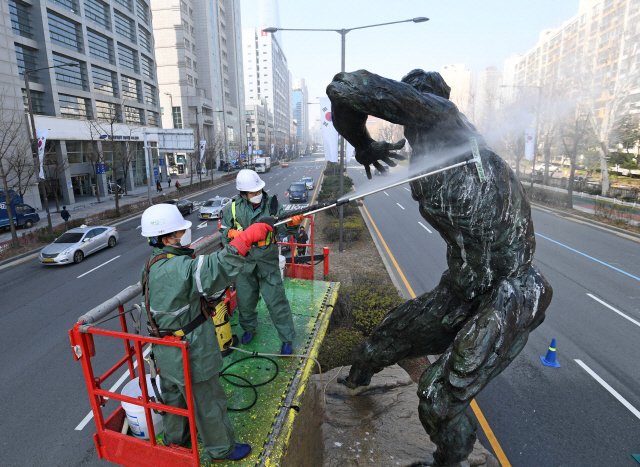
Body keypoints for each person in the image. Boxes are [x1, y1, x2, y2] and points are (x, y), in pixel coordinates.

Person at [328, 69, 552, 467]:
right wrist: (364, 148)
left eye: (410, 102)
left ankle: (450, 461)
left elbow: (345, 86)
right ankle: (353, 389)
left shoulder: (445, 120)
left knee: (437, 398)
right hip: (462, 289)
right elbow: (343, 98)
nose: (408, 114)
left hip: (509, 294)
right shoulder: (429, 151)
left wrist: (364, 143)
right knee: (376, 346)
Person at [140, 203, 273, 463]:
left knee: (174, 400)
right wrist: (245, 239)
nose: (184, 236)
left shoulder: (153, 263)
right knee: (208, 400)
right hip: (191, 348)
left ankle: (176, 444)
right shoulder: (177, 267)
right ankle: (222, 449)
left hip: (166, 349)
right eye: (180, 232)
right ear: (167, 237)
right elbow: (215, 270)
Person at [220, 169, 304, 355]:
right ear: (243, 193)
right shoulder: (234, 208)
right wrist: (231, 233)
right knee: (245, 301)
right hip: (245, 264)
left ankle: (287, 338)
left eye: (259, 191)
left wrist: (293, 224)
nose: (258, 195)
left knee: (277, 302)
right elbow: (224, 233)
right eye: (253, 193)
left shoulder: (272, 205)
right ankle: (249, 328)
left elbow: (286, 228)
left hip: (268, 262)